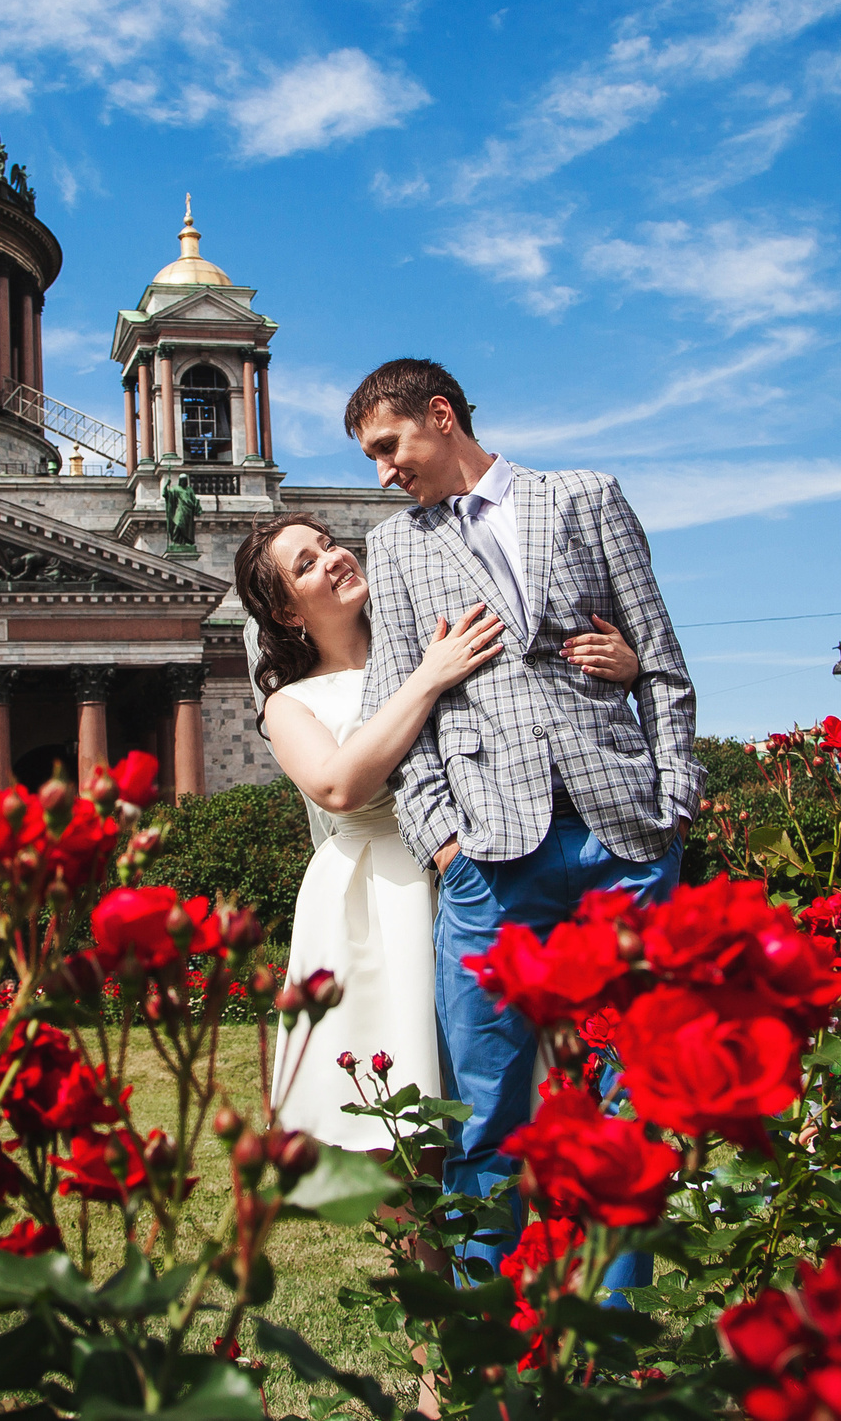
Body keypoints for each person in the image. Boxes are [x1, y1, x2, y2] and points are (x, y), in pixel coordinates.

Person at [346, 357, 699, 1276]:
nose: (383, 473)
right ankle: (485, 1348)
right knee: (484, 1111)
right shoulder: (397, 548)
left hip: (624, 832)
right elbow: (403, 707)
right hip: (491, 859)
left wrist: (674, 802)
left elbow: (660, 660)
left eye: (389, 447)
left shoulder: (585, 496)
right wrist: (443, 845)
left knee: (637, 1100)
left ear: (440, 414)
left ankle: (610, 1333)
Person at [232, 513, 641, 1152]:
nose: (334, 559)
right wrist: (427, 678)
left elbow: (536, 691)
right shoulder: (291, 703)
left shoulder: (435, 635)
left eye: (329, 544)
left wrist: (624, 664)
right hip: (377, 897)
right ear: (287, 614)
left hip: (488, 864)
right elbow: (339, 787)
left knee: (520, 1088)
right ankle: (429, 1252)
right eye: (307, 564)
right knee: (400, 1110)